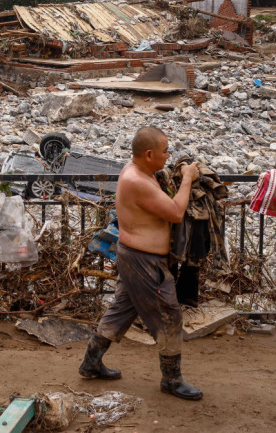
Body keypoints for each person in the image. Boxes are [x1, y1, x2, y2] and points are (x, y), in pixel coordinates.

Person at [79, 126, 203, 400]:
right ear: (149, 154)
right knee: (170, 315)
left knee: (121, 309)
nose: (168, 156)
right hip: (144, 261)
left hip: (134, 256)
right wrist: (187, 178)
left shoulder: (139, 172)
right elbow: (175, 212)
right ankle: (172, 380)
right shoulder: (137, 180)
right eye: (165, 151)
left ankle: (91, 362)